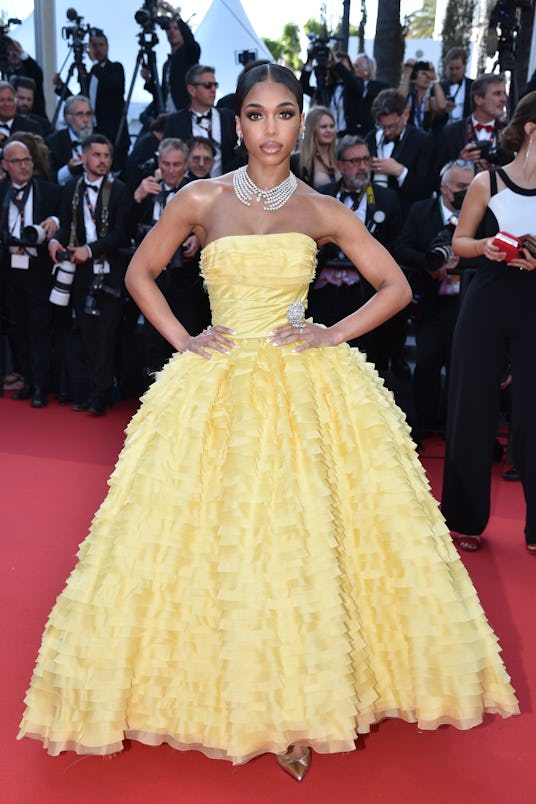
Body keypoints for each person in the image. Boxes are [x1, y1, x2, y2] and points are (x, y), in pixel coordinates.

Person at [18, 64, 518, 781]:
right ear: (237, 122)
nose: (272, 129)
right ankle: (220, 682)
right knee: (210, 536)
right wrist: (183, 340)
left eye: (286, 114)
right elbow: (139, 273)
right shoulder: (200, 195)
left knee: (298, 539)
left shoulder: (320, 206)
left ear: (300, 120)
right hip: (218, 383)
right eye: (256, 114)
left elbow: (397, 286)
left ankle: (301, 705)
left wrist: (331, 333)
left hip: (300, 387)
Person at [441, 91, 536, 554]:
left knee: (533, 415)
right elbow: (459, 241)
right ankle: (463, 520)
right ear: (532, 130)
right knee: (471, 409)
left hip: (534, 305)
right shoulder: (487, 182)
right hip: (486, 299)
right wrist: (487, 248)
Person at [48, 134, 131, 415]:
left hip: (110, 273)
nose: (102, 161)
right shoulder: (70, 187)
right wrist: (54, 242)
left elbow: (122, 235)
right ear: (83, 157)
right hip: (80, 273)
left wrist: (90, 249)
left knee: (107, 336)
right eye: (97, 155)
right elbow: (64, 225)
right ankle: (87, 392)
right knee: (85, 333)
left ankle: (101, 395)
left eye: (106, 156)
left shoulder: (120, 189)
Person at [395, 159, 476, 441]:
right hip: (430, 304)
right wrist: (431, 265)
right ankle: (425, 424)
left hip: (467, 304)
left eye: (470, 186)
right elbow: (402, 247)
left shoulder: (481, 214)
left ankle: (455, 426)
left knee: (461, 368)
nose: (465, 192)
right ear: (444, 187)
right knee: (427, 364)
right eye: (460, 186)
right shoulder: (420, 211)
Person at [308, 135, 403, 372]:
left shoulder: (387, 198)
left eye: (365, 160)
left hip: (365, 291)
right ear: (340, 165)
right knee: (322, 360)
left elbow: (396, 245)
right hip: (324, 292)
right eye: (354, 161)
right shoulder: (322, 195)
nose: (362, 167)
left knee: (369, 363)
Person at [132, 137, 209, 376]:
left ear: (185, 165)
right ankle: (153, 400)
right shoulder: (146, 188)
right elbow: (123, 228)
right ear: (159, 163)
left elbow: (214, 227)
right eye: (165, 164)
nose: (170, 170)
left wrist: (198, 237)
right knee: (151, 341)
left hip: (185, 280)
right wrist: (136, 198)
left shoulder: (197, 192)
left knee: (186, 337)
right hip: (151, 277)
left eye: (176, 165)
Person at [0, 139, 62, 407]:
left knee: (39, 328)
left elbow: (64, 215)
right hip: (8, 269)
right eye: (16, 161)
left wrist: (55, 222)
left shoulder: (48, 191)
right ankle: (25, 379)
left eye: (26, 160)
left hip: (37, 270)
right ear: (5, 165)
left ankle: (40, 384)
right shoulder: (1, 191)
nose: (23, 166)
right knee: (16, 326)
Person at [163, 65, 237, 176]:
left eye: (215, 85)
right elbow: (168, 156)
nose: (213, 90)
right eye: (208, 85)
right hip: (189, 188)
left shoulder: (228, 117)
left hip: (226, 187)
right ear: (192, 90)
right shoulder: (175, 121)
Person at [142, 2, 200, 115]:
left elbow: (191, 43)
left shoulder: (189, 54)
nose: (172, 31)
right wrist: (148, 81)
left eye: (176, 28)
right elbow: (162, 94)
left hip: (186, 116)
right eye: (169, 28)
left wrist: (174, 13)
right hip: (168, 118)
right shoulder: (167, 65)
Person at [45, 95, 94, 185]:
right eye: (80, 114)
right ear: (67, 118)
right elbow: (48, 179)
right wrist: (68, 170)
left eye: (88, 114)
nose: (86, 120)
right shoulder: (53, 142)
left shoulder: (100, 140)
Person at [291, 105, 340, 188]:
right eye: (323, 127)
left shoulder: (341, 154)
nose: (329, 130)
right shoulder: (296, 161)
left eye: (332, 126)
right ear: (312, 129)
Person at [399, 58, 447, 132]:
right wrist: (407, 75)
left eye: (429, 74)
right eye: (424, 73)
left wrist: (435, 78)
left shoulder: (430, 101)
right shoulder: (407, 98)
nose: (428, 77)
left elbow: (442, 106)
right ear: (414, 75)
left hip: (424, 141)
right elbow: (399, 103)